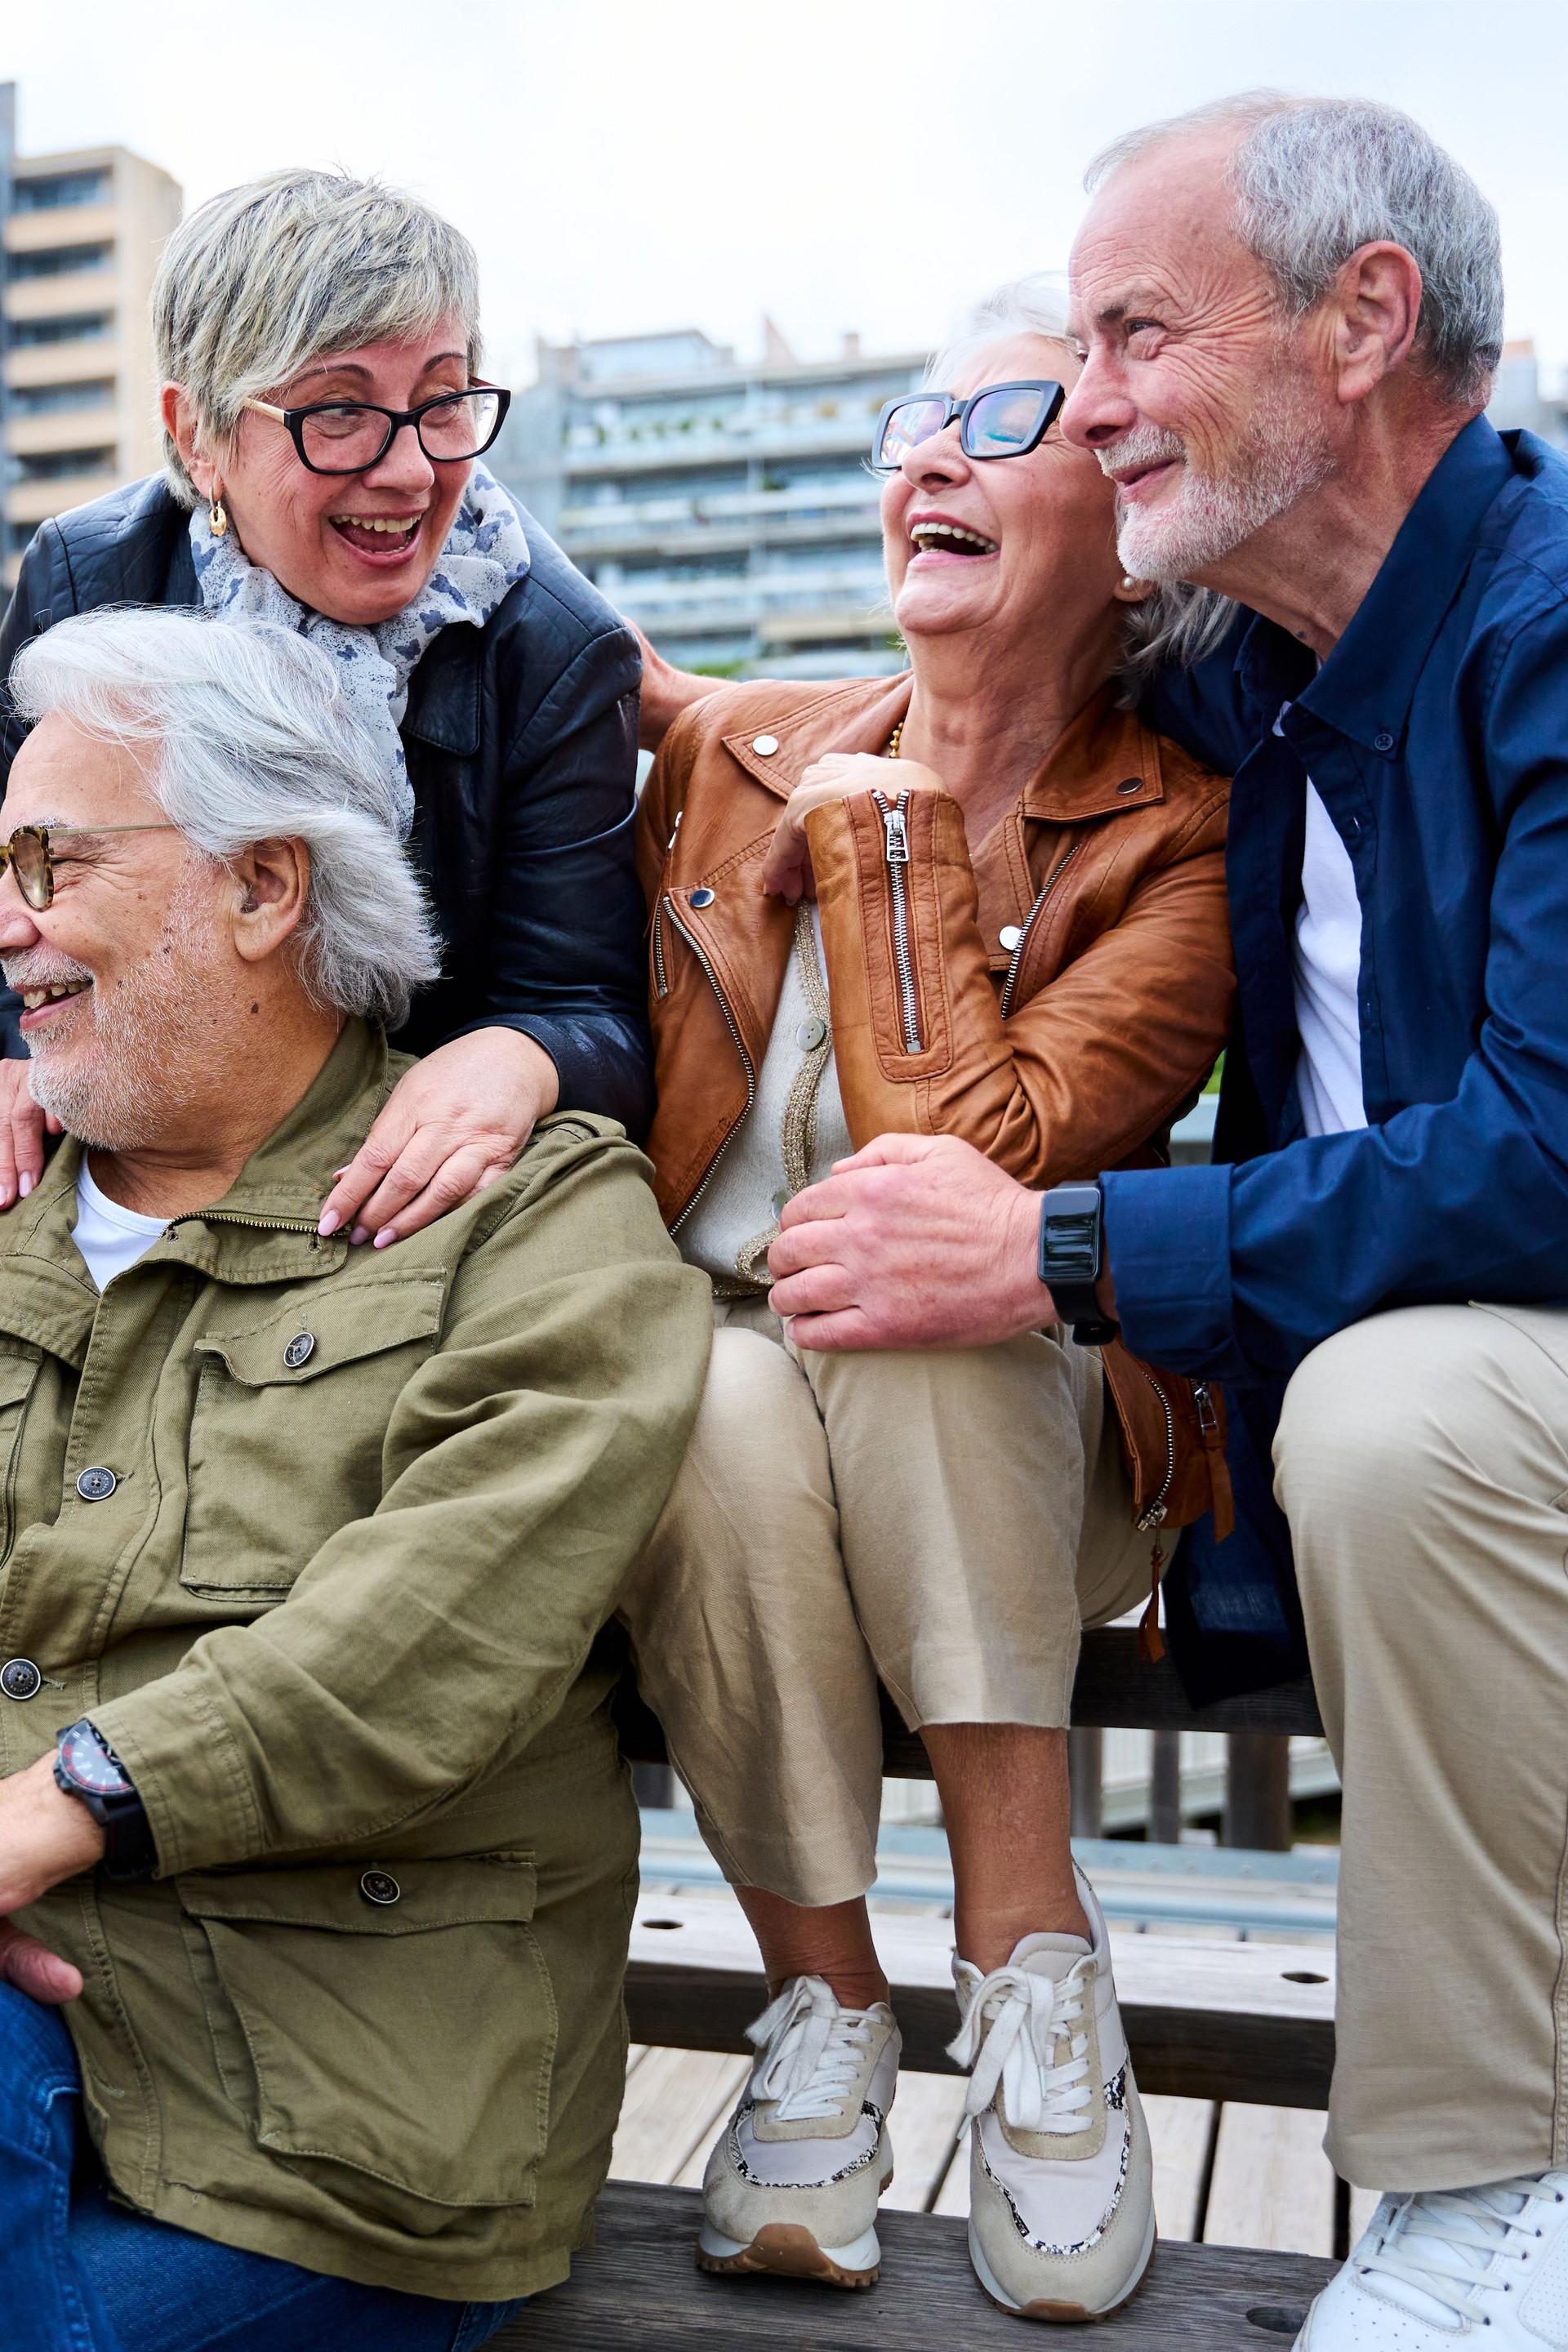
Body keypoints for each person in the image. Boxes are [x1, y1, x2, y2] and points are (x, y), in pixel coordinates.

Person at [761, 93, 1568, 2350]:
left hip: (1485, 1393)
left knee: (1400, 1413)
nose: (1088, 400)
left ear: (1364, 324)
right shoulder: (1260, 666)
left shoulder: (1555, 626)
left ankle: (1485, 2181)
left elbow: (1553, 1150)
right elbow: (969, 672)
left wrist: (1067, 1254)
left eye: (1132, 334)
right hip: (1380, 1439)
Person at [618, 278, 1236, 2322]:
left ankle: (1036, 1978)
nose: (926, 455)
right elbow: (544, 630)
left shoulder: (1179, 841)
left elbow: (990, 1163)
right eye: (910, 418)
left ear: (1125, 515)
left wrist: (887, 851)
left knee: (930, 1289)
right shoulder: (745, 748)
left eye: (1006, 414)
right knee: (695, 1388)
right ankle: (825, 2011)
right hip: (733, 1420)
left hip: (1029, 1420)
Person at [0, 606, 710, 2352]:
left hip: (329, 2136)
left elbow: (425, 1641)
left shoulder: (533, 1222)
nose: (7, 919)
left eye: (50, 860)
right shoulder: (12, 1205)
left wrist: (49, 1811)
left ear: (264, 889)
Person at [0, 167, 651, 1255]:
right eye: (340, 412)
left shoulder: (553, 648)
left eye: (442, 402)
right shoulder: (85, 580)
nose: (407, 471)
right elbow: (22, 874)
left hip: (384, 1188)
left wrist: (522, 1056)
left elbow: (591, 1005)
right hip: (139, 1135)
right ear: (198, 433)